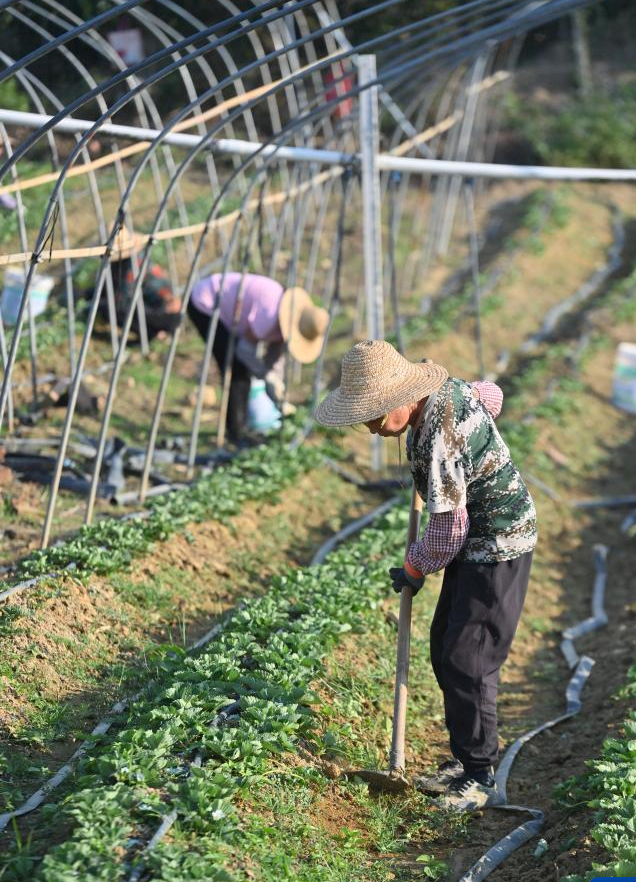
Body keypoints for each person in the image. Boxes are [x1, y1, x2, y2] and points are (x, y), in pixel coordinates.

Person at [315, 339, 537, 811]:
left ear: (404, 396)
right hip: (474, 540)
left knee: (467, 658)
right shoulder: (445, 395)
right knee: (445, 645)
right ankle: (465, 759)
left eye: (376, 414)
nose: (372, 427)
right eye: (365, 417)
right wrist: (473, 421)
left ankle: (479, 776)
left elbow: (449, 527)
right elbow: (490, 395)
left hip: (498, 541)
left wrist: (415, 566)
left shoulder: (439, 436)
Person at [187, 273, 329, 444]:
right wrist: (265, 376)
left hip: (225, 307)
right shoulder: (269, 316)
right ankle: (237, 432)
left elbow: (275, 356)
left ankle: (240, 428)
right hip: (206, 302)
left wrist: (276, 384)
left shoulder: (284, 321)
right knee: (237, 370)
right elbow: (244, 351)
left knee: (241, 370)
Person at [102, 229, 181, 340]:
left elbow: (122, 299)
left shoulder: (131, 266)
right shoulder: (135, 258)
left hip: (156, 307)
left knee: (112, 310)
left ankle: (152, 332)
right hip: (149, 301)